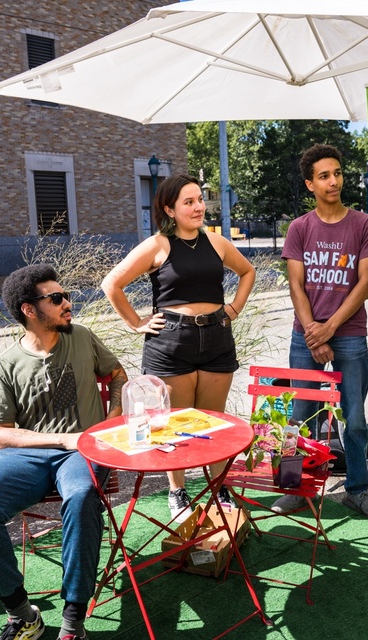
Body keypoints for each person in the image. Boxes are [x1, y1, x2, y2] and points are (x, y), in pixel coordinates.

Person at [0, 264, 128, 640]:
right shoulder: (5, 365)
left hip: (82, 453)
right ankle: (22, 613)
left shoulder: (82, 337)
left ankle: (73, 618)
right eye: (56, 298)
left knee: (82, 496)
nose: (68, 303)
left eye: (66, 295)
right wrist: (61, 439)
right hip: (28, 457)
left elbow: (117, 374)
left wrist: (111, 417)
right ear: (29, 310)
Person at [101, 173, 255, 521]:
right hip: (171, 343)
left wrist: (233, 309)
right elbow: (112, 283)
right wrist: (136, 322)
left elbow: (248, 272)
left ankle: (219, 488)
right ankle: (178, 491)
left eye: (200, 199)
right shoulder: (157, 245)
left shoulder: (216, 243)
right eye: (189, 201)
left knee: (213, 422)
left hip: (216, 338)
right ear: (169, 208)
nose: (199, 206)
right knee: (175, 424)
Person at [273, 143, 368, 524]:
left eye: (338, 173)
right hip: (305, 336)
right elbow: (296, 285)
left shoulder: (363, 224)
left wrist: (329, 328)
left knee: (354, 417)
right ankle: (294, 487)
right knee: (300, 415)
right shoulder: (299, 228)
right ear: (310, 183)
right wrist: (313, 332)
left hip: (349, 334)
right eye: (324, 175)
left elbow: (365, 283)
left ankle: (358, 491)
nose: (334, 181)